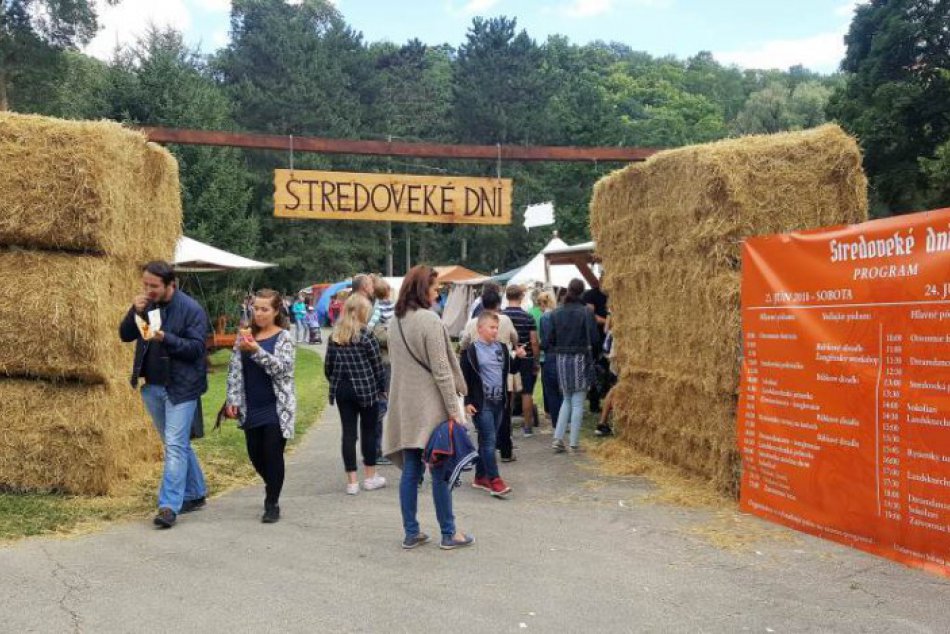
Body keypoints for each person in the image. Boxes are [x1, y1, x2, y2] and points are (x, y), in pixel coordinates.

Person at [382, 265, 474, 550]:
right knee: (440, 470)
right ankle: (449, 533)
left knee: (411, 470)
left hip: (405, 405)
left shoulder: (394, 322)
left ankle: (411, 532)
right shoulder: (429, 321)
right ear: (423, 288)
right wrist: (454, 411)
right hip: (431, 406)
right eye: (435, 288)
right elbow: (442, 371)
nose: (438, 293)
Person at [119, 261, 209, 529]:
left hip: (182, 387)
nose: (148, 290)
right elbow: (125, 335)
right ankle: (195, 492)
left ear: (171, 284)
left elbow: (196, 350)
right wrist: (132, 312)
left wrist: (164, 338)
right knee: (176, 444)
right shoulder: (146, 306)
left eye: (154, 286)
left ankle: (169, 506)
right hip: (153, 386)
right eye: (145, 285)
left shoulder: (191, 309)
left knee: (174, 445)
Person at [224, 289, 296, 523]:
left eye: (265, 309)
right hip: (251, 405)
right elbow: (234, 369)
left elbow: (283, 369)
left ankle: (272, 502)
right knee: (256, 455)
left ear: (276, 311)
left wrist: (256, 350)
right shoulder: (244, 335)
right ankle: (272, 483)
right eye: (256, 308)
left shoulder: (284, 337)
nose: (259, 313)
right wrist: (232, 399)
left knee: (273, 455)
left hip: (276, 406)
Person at [325, 294, 387, 495]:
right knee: (368, 432)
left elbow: (328, 367)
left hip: (343, 390)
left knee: (348, 434)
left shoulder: (335, 337)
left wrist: (337, 382)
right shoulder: (367, 335)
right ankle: (370, 477)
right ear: (362, 312)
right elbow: (377, 366)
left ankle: (352, 481)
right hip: (367, 389)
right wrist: (382, 388)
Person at [459, 287, 522, 462]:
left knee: (486, 418)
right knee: (504, 414)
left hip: (480, 376)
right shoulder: (506, 320)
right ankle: (505, 452)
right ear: (498, 304)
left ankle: (486, 454)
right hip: (502, 374)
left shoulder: (473, 322)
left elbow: (464, 343)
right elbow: (515, 338)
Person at [460, 312, 512, 498]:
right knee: (490, 441)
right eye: (491, 327)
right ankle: (495, 481)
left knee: (486, 440)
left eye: (497, 327)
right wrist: (467, 402)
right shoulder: (471, 351)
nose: (495, 331)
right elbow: (464, 378)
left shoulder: (502, 348)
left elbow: (509, 368)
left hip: (499, 401)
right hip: (482, 403)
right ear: (479, 328)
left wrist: (519, 356)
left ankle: (480, 477)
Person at [548, 278, 600, 454]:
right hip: (580, 358)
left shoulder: (556, 313)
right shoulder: (586, 312)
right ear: (582, 293)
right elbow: (594, 338)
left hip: (561, 358)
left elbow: (550, 339)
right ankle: (574, 443)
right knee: (578, 402)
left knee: (567, 399)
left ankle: (558, 438)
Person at [502, 284, 540, 437]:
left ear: (507, 297)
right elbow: (534, 341)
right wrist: (536, 360)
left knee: (509, 391)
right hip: (526, 357)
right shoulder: (528, 317)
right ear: (521, 297)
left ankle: (507, 426)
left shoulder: (501, 316)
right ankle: (527, 427)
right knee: (527, 391)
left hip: (508, 357)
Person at [368, 277, 395, 465]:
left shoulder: (377, 309)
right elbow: (382, 336)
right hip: (383, 363)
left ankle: (382, 447)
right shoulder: (375, 312)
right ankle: (377, 450)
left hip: (388, 362)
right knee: (382, 406)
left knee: (385, 406)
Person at [582, 276, 609, 412]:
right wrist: (609, 322)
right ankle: (594, 402)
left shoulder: (613, 295)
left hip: (610, 339)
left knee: (609, 371)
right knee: (596, 371)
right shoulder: (590, 295)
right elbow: (591, 316)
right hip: (596, 341)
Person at [537, 290, 561, 428]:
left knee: (551, 391)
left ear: (543, 303)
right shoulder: (559, 314)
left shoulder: (545, 317)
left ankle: (556, 421)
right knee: (562, 389)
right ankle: (564, 420)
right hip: (561, 354)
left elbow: (545, 341)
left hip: (550, 355)